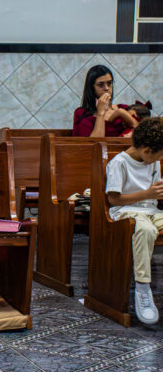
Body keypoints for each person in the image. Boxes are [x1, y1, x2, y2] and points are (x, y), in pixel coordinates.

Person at [105, 117, 163, 325]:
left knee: (149, 224)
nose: (161, 158)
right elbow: (113, 199)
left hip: (150, 210)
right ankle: (143, 288)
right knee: (146, 230)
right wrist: (146, 194)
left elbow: (155, 192)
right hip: (125, 211)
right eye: (160, 154)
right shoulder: (119, 163)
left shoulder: (153, 161)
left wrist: (156, 194)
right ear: (147, 150)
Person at [73, 65, 137, 137]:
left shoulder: (124, 108)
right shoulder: (82, 113)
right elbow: (94, 142)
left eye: (109, 83)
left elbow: (141, 132)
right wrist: (101, 113)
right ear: (91, 88)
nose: (106, 88)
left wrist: (121, 113)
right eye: (101, 85)